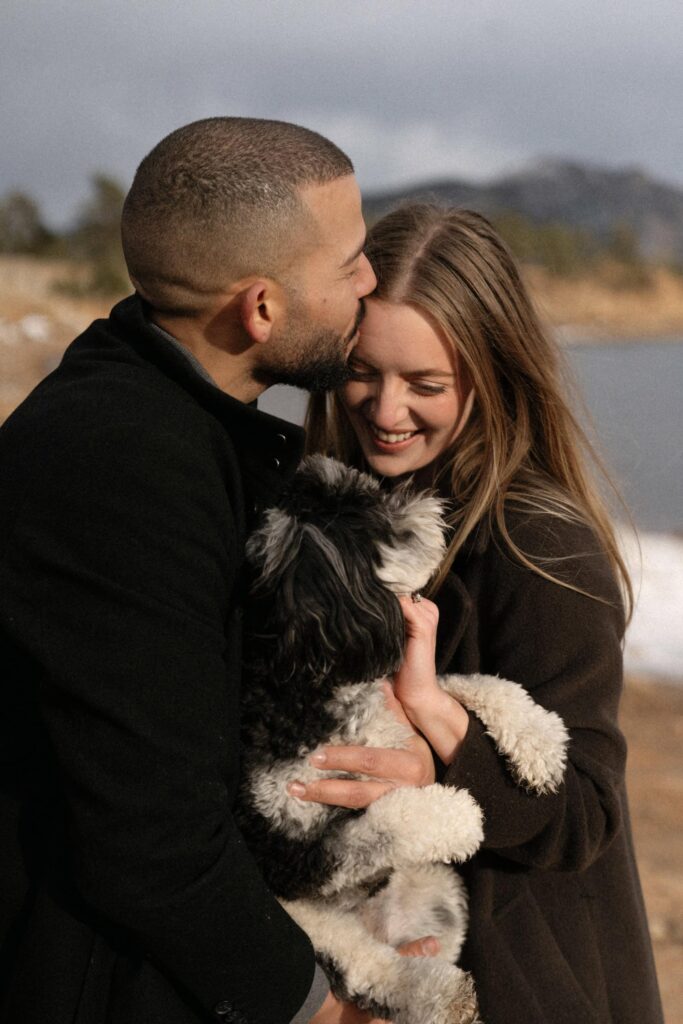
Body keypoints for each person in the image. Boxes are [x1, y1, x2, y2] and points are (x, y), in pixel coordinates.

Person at [0, 117, 435, 1024]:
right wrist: (320, 1011)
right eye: (350, 262)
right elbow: (151, 836)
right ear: (260, 308)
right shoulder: (115, 465)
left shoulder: (186, 430)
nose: (370, 282)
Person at [301, 204, 665, 1024]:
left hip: (519, 986)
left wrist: (446, 750)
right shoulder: (325, 514)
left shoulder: (540, 546)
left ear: (494, 374)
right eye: (362, 371)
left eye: (425, 384)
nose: (385, 410)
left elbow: (586, 812)